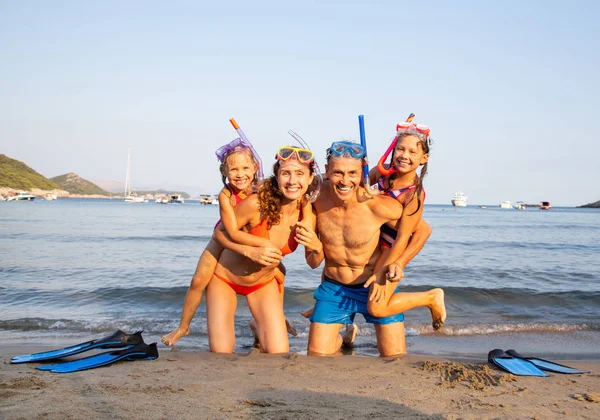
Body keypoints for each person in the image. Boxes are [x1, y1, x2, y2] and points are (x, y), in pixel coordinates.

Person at [296, 141, 440, 356]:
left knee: (394, 357)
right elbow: (313, 263)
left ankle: (429, 297)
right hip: (335, 287)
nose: (345, 181)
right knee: (318, 356)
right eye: (337, 173)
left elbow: (422, 231)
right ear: (327, 171)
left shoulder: (378, 205)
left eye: (352, 173)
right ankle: (345, 333)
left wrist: (397, 264)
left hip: (373, 285)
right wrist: (316, 247)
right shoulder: (315, 198)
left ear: (361, 171)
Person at [161, 137, 288, 347]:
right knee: (199, 280)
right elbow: (230, 231)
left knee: (280, 272)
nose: (240, 174)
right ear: (224, 172)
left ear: (256, 167)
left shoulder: (262, 189)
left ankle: (275, 319)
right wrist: (254, 249)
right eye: (234, 169)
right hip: (223, 239)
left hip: (250, 243)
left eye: (246, 167)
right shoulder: (226, 195)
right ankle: (183, 326)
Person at [206, 146, 320, 353]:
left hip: (263, 283)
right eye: (286, 173)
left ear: (311, 178)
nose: (292, 181)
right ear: (276, 176)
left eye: (300, 174)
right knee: (221, 353)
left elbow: (313, 263)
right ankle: (257, 325)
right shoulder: (255, 204)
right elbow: (219, 234)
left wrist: (317, 246)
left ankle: (258, 324)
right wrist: (248, 251)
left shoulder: (308, 215)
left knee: (278, 353)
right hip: (225, 279)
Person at [365, 119, 446, 329]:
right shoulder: (381, 173)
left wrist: (384, 270)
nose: (404, 156)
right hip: (370, 240)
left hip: (389, 247)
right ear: (393, 149)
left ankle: (429, 297)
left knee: (376, 307)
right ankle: (348, 328)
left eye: (412, 152)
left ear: (423, 158)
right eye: (400, 149)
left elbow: (402, 237)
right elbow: (360, 186)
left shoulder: (413, 195)